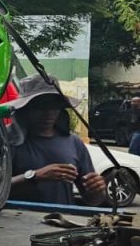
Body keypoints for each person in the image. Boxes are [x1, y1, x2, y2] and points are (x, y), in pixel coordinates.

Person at [6, 75, 106, 206]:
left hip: (62, 217)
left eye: (54, 106)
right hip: (16, 217)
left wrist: (97, 189)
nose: (49, 113)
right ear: (25, 108)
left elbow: (93, 200)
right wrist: (34, 176)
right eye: (41, 106)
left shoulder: (74, 142)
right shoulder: (7, 141)